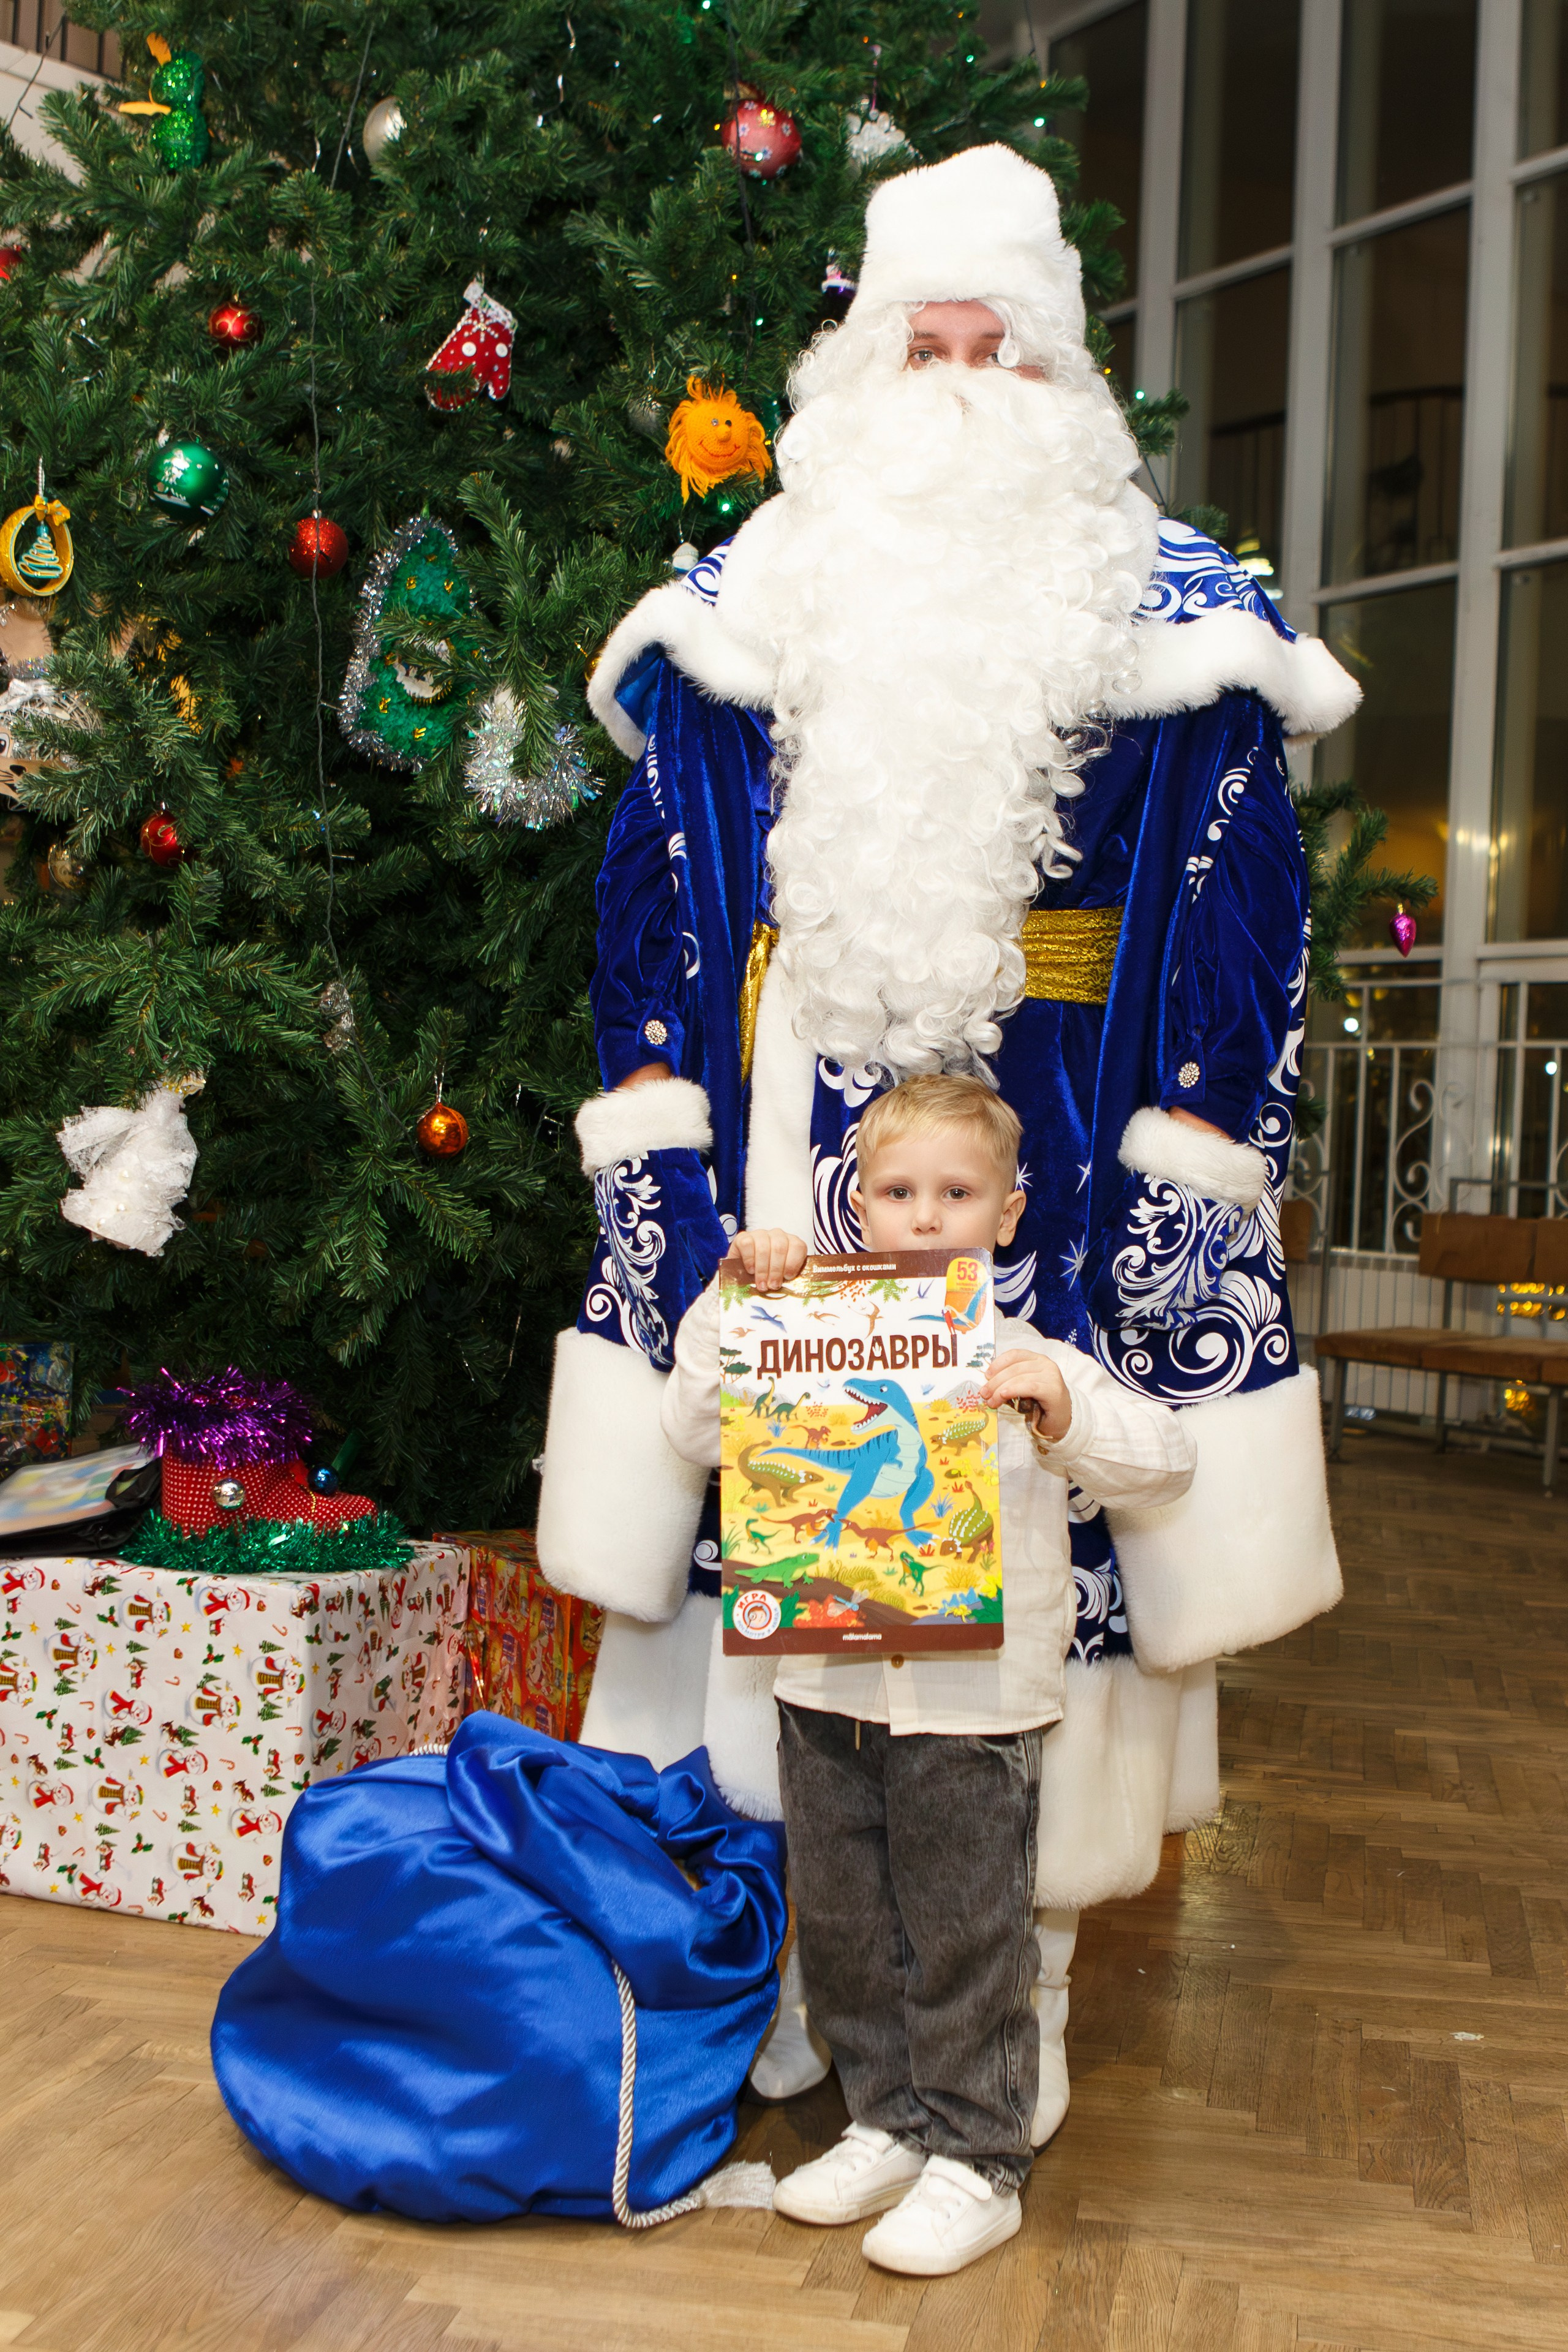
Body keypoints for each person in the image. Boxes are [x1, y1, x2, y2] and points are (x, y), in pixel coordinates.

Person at [538, 143, 1352, 2124]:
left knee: (1012, 1617)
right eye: (928, 337)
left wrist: (1184, 1162)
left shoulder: (1178, 623)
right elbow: (657, 907)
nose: (962, 374)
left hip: (1048, 1182)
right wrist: (660, 1162)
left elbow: (1244, 923)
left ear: (1065, 379)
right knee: (788, 1611)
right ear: (863, 364)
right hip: (792, 1167)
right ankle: (831, 1985)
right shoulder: (741, 615)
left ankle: (1017, 2002)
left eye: (1002, 343)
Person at [657, 1076, 1196, 2275]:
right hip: (823, 1692)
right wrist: (729, 1299)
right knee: (848, 1929)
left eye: (954, 1194)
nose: (923, 1215)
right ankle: (886, 2119)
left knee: (964, 1932)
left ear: (1005, 1214)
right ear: (859, 1203)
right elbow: (694, 1432)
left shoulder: (1028, 1353)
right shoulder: (800, 1333)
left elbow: (1162, 1463)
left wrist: (1060, 1412)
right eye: (898, 1192)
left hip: (975, 1701)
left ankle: (978, 2158)